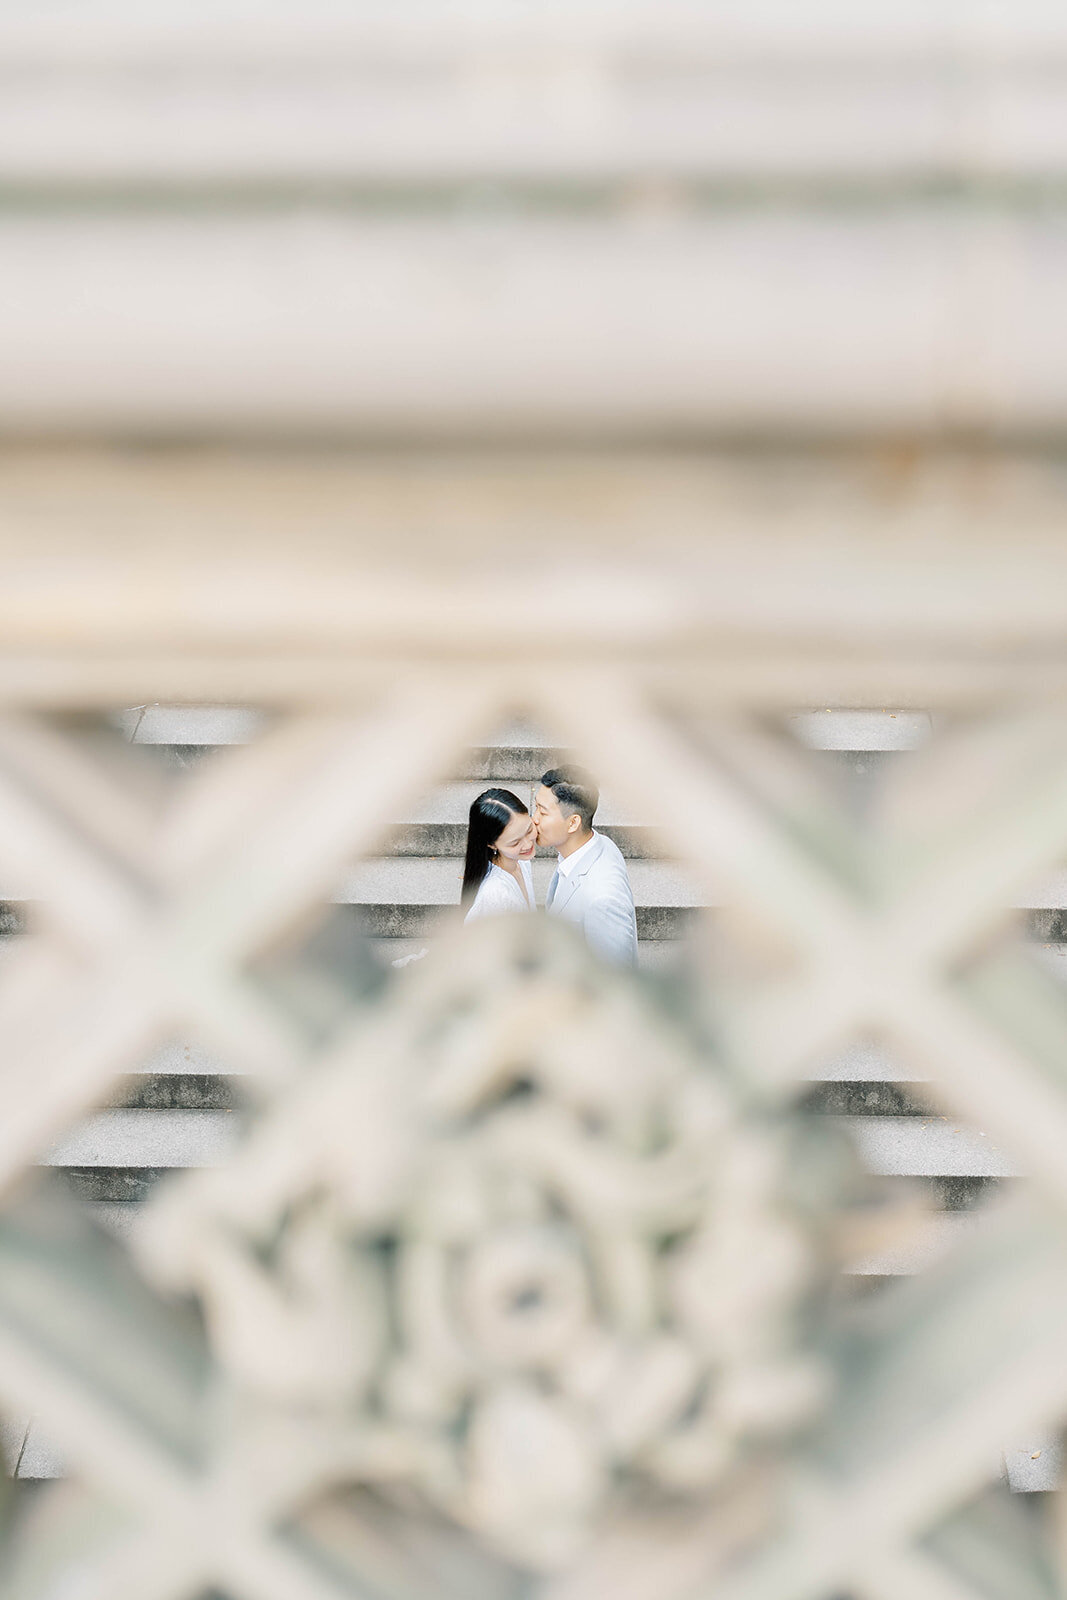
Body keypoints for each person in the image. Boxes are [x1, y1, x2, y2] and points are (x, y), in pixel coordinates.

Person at [533, 765, 638, 966]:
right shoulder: (599, 844)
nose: (534, 819)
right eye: (536, 806)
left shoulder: (603, 900)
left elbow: (615, 980)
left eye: (543, 812)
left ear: (573, 823)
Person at [463, 788, 537, 921]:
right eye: (515, 843)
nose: (528, 845)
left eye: (529, 830)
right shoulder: (495, 894)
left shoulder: (521, 861)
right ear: (492, 844)